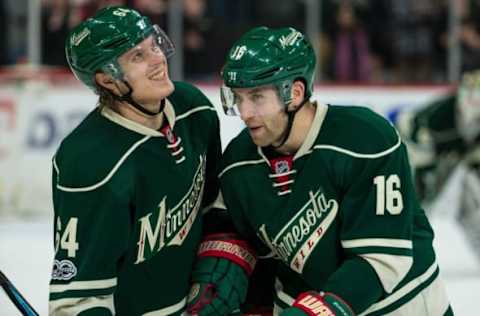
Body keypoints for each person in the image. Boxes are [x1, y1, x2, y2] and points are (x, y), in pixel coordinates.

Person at [217, 26, 453, 315]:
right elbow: (260, 258)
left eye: (256, 97)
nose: (245, 112)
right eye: (238, 98)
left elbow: (381, 260)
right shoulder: (238, 162)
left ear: (294, 92)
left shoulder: (364, 138)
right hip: (304, 302)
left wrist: (319, 310)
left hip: (399, 304)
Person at [49, 6, 256, 315]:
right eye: (137, 56)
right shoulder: (90, 163)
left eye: (154, 45)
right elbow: (80, 297)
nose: (159, 59)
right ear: (107, 80)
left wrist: (220, 263)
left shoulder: (192, 109)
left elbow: (214, 203)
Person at [394, 68, 480, 258]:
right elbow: (414, 141)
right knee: (417, 201)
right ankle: (404, 247)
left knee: (470, 198)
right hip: (419, 150)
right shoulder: (438, 118)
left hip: (451, 153)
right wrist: (426, 176)